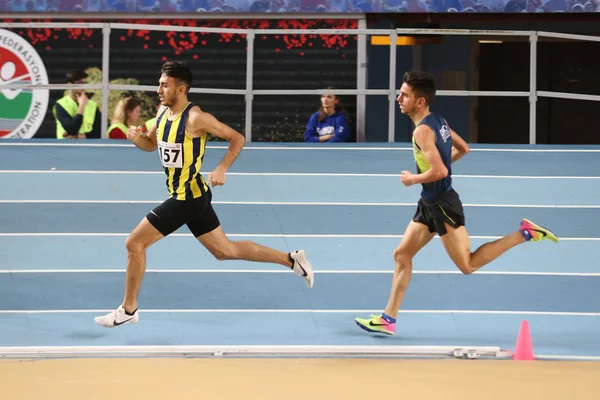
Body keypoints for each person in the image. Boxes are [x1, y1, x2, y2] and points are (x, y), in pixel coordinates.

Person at [94, 61, 314, 328]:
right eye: (159, 83)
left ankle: (128, 310)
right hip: (193, 197)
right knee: (225, 251)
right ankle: (291, 260)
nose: (158, 89)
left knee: (134, 244)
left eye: (165, 85)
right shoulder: (162, 111)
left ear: (181, 89)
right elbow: (151, 145)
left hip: (187, 198)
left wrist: (221, 168)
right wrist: (135, 138)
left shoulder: (196, 118)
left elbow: (237, 138)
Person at [354, 71, 559, 335]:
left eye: (404, 95)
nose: (398, 98)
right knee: (402, 254)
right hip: (430, 202)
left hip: (442, 205)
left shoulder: (422, 132)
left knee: (468, 265)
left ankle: (525, 233)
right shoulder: (439, 121)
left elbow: (439, 171)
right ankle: (387, 320)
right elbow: (463, 149)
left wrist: (413, 178)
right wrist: (432, 174)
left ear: (420, 101)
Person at [53, 69, 102, 139]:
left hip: (88, 147)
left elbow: (99, 132)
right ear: (69, 85)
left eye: (85, 83)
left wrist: (78, 136)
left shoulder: (92, 105)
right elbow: (71, 129)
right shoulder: (60, 104)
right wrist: (81, 106)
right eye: (79, 83)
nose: (83, 86)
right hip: (66, 147)